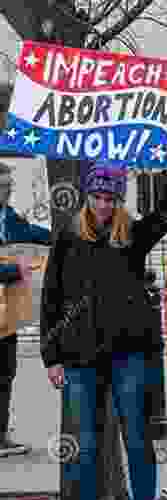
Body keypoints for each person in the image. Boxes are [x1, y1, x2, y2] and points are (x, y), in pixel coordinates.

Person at [41, 162, 167, 500]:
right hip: (81, 356)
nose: (104, 206)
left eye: (111, 199)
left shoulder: (132, 234)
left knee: (137, 439)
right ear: (87, 197)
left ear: (120, 200)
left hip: (129, 353)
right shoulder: (68, 236)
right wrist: (51, 356)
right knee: (87, 443)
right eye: (97, 198)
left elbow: (166, 216)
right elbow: (51, 296)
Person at [0, 161, 51, 458]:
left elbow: (33, 233)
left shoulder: (12, 218)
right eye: (2, 188)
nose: (6, 193)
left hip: (7, 312)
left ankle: (1, 435)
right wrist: (11, 271)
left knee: (6, 372)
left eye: (9, 188)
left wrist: (69, 232)